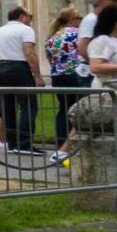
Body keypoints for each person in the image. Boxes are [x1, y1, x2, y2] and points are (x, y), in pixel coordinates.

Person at [0, 6, 44, 152]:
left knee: (8, 106)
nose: (31, 19)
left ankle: (12, 143)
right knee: (28, 105)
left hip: (0, 68)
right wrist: (38, 76)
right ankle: (24, 144)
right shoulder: (25, 30)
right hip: (18, 67)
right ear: (21, 16)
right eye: (29, 16)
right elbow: (29, 52)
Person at [43, 8, 88, 147]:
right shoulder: (78, 34)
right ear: (72, 19)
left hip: (58, 76)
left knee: (64, 109)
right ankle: (76, 143)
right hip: (76, 74)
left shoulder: (52, 37)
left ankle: (61, 143)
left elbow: (51, 60)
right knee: (81, 109)